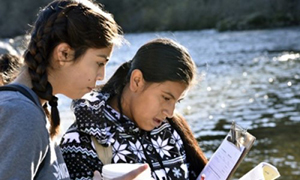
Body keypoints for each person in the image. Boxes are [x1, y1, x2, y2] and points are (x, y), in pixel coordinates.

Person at [0, 0, 149, 179]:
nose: (101, 75)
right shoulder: (22, 116)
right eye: (99, 63)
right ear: (64, 54)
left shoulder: (35, 110)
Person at [60, 38, 208, 180]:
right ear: (137, 81)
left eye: (177, 101)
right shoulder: (80, 141)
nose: (169, 112)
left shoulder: (172, 127)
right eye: (166, 98)